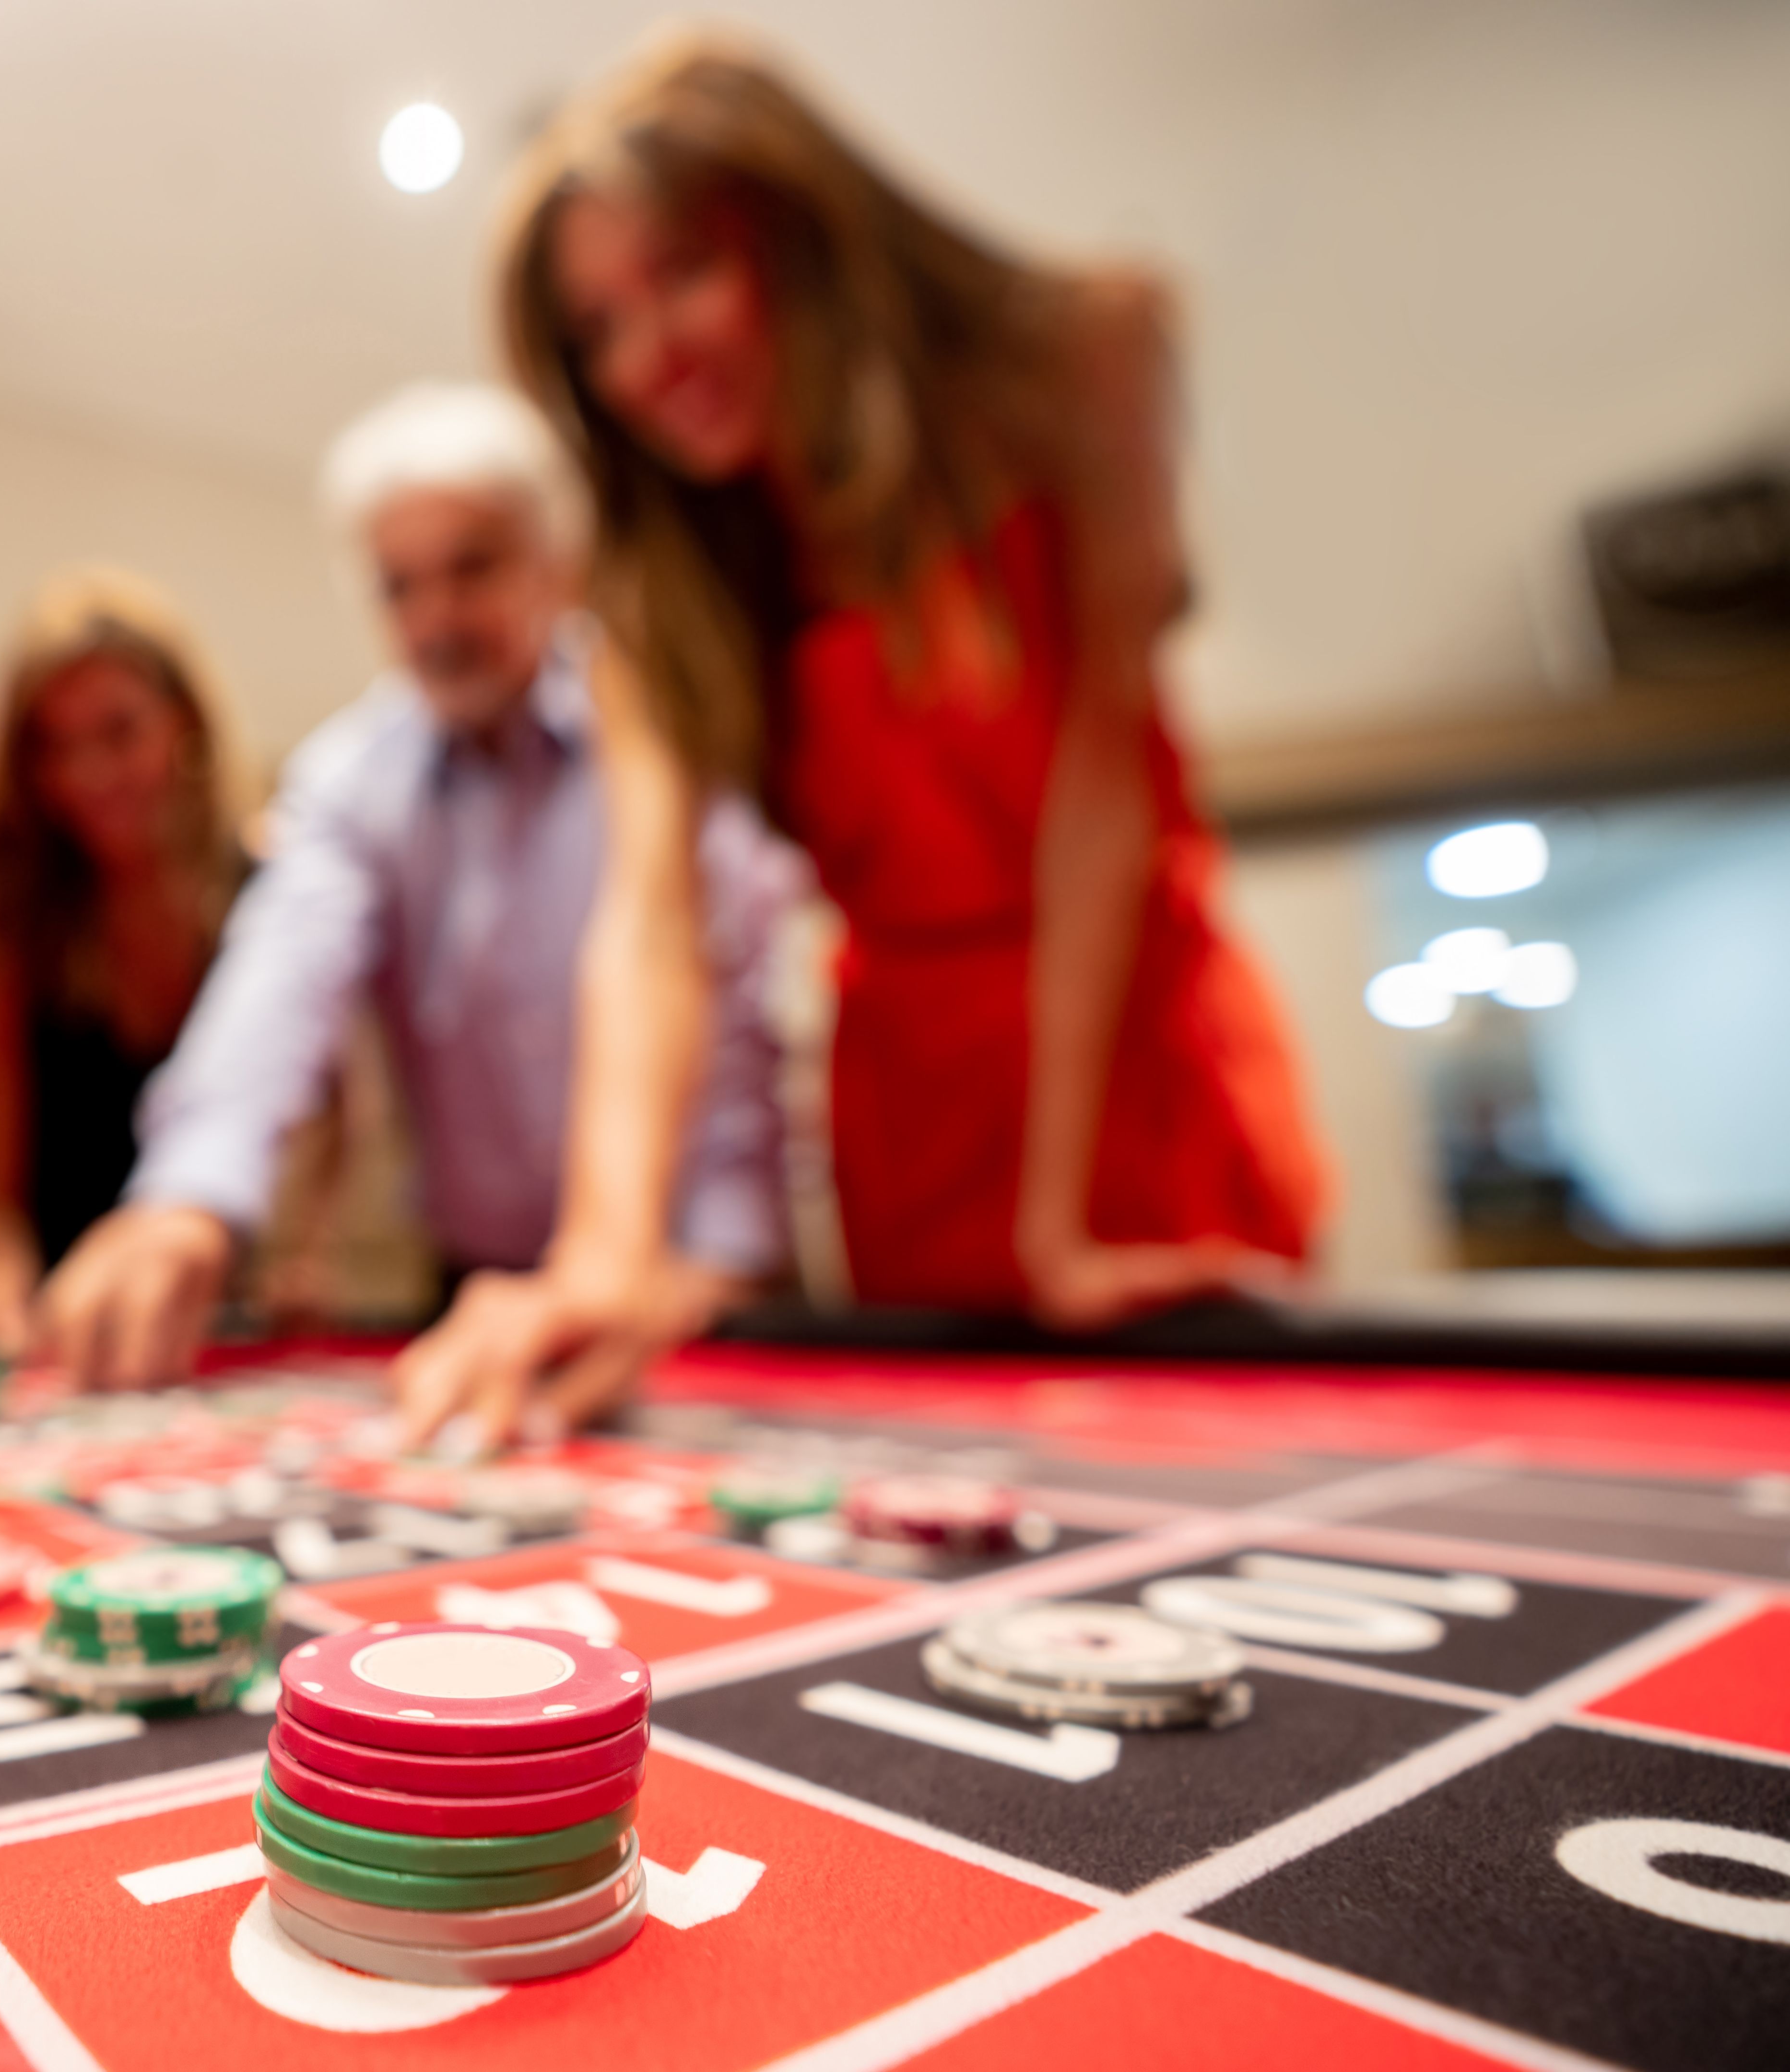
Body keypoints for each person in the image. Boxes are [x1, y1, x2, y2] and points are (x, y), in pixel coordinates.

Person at [396, 32, 1327, 1447]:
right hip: (910, 1112)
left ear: (798, 230)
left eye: (684, 272)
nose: (649, 358)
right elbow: (648, 926)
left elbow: (1099, 800)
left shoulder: (1082, 362)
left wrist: (1057, 1226)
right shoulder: (662, 585)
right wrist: (599, 1255)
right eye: (597, 329)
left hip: (1134, 1055)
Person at [40, 382, 803, 1394]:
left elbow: (727, 1005)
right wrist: (186, 1202)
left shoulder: (662, 737)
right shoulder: (348, 783)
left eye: (471, 568)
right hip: (477, 1294)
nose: (435, 618)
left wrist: (718, 1266)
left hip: (695, 1284)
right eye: (399, 586)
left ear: (557, 565)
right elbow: (279, 979)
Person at [0, 571, 249, 1360]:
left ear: (184, 722)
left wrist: (306, 1263)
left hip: (237, 1326)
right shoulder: (12, 933)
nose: (89, 775)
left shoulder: (271, 901)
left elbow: (321, 1138)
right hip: (70, 1335)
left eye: (118, 733)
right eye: (55, 746)